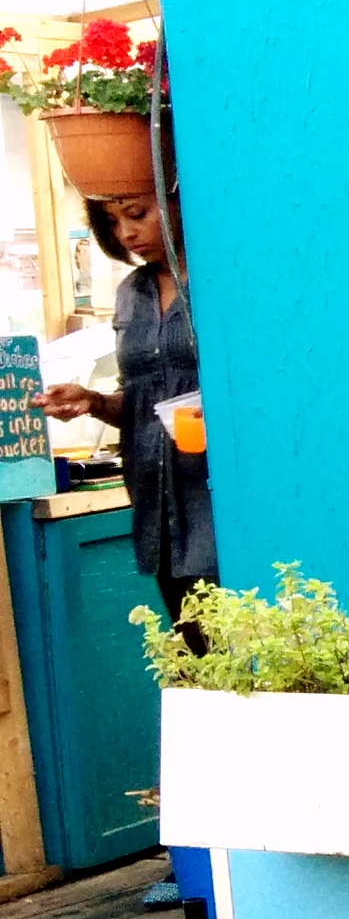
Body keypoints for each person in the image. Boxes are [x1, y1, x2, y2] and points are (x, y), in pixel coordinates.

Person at [42, 171, 213, 637]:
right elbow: (140, 404)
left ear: (179, 202)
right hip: (156, 501)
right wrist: (93, 401)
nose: (126, 233)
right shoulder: (131, 294)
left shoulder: (220, 282)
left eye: (136, 213)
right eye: (112, 223)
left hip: (218, 498)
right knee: (197, 651)